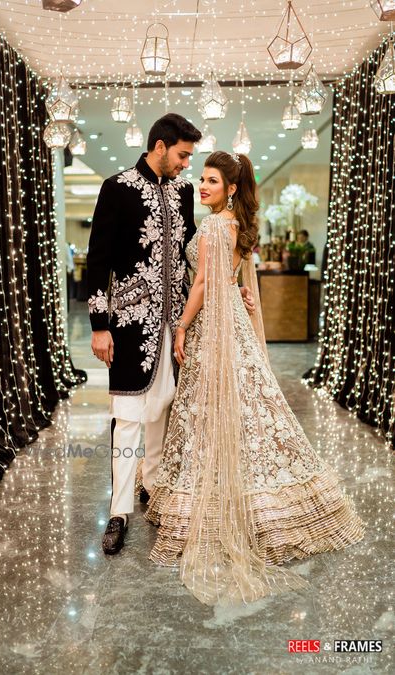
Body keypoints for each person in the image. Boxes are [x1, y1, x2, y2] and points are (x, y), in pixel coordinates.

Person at [144, 151, 365, 607]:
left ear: (229, 188)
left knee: (211, 408)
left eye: (210, 181)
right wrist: (236, 291)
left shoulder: (210, 226)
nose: (202, 187)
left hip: (210, 327)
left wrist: (181, 326)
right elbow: (231, 280)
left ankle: (214, 500)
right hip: (235, 327)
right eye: (201, 179)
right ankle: (268, 500)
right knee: (249, 409)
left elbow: (204, 284)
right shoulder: (239, 227)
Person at [87, 114, 258, 555]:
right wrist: (100, 326)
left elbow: (192, 263)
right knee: (127, 419)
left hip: (179, 324)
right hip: (127, 325)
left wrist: (230, 288)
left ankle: (154, 490)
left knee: (164, 409)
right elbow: (97, 260)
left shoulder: (183, 193)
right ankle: (119, 510)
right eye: (183, 155)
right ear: (160, 147)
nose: (187, 165)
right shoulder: (117, 187)